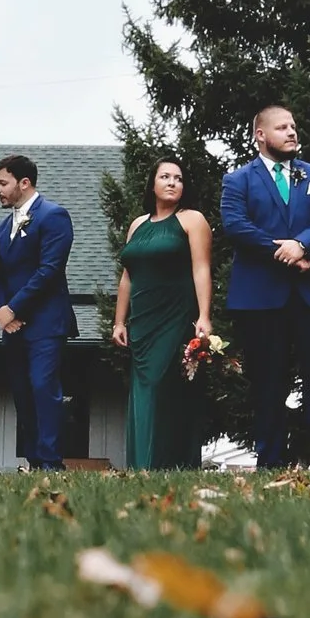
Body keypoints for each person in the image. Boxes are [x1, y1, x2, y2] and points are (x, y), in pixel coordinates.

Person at [219, 103, 310, 469]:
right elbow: (236, 226)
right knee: (267, 383)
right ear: (260, 135)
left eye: (293, 126)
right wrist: (284, 251)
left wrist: (302, 244)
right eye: (282, 128)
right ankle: (271, 459)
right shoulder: (237, 181)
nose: (292, 132)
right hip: (261, 296)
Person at [112, 155, 213, 472]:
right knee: (142, 391)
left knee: (162, 386)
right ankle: (141, 464)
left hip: (176, 315)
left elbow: (201, 269)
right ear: (152, 184)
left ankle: (166, 463)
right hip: (141, 321)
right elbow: (127, 276)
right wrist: (119, 320)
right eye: (166, 177)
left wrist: (205, 316)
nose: (172, 183)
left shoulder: (192, 220)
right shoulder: (137, 226)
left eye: (178, 178)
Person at [0, 154, 77, 470]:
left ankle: (52, 463)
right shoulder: (2, 228)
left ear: (24, 183)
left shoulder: (54, 216)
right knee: (22, 394)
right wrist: (1, 310)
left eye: (2, 182)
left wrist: (14, 307)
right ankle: (35, 461)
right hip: (13, 326)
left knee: (43, 388)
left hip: (47, 323)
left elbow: (49, 270)